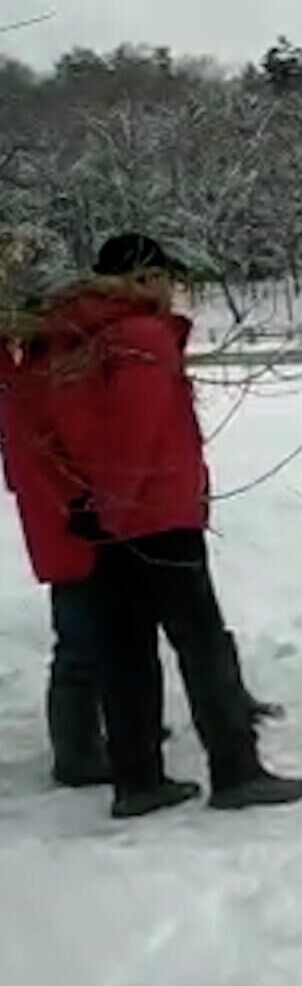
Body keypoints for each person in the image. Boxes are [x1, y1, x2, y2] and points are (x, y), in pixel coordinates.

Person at [25, 234, 302, 819]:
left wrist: (90, 507)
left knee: (125, 652)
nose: (173, 291)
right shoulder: (141, 341)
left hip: (99, 521)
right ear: (144, 277)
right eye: (167, 278)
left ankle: (138, 778)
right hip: (155, 517)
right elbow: (138, 435)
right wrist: (120, 504)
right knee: (201, 644)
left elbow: (46, 428)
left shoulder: (62, 338)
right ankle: (236, 769)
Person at [2, 230, 110, 787]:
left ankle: (89, 734)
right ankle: (77, 749)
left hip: (60, 515)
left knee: (85, 630)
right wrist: (84, 500)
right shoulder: (40, 372)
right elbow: (55, 448)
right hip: (69, 518)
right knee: (81, 635)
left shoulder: (29, 366)